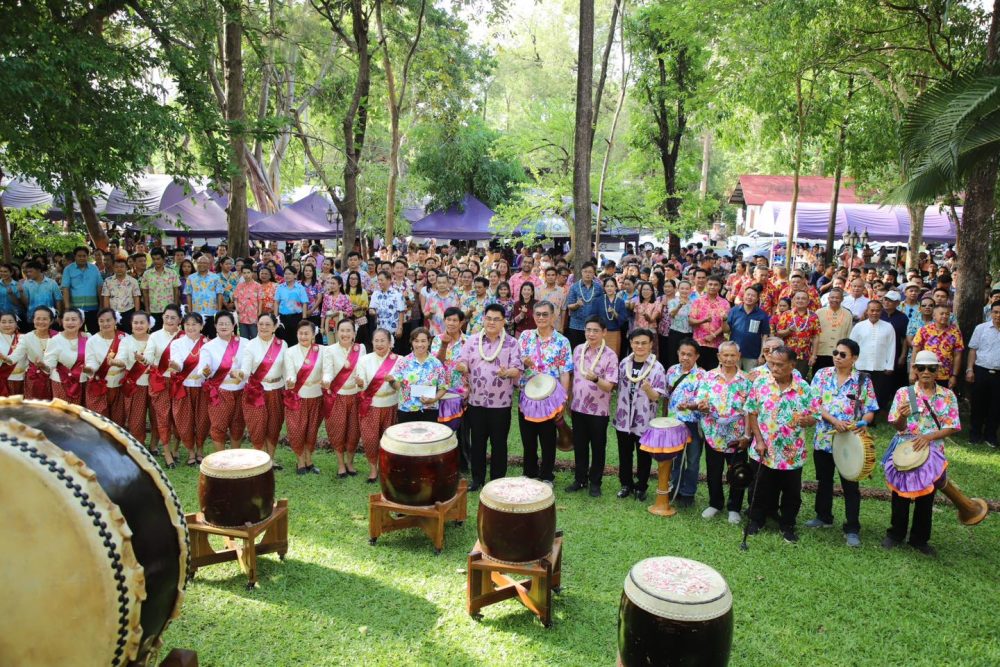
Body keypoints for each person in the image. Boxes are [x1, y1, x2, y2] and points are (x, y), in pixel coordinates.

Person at [882, 350, 961, 556]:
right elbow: (897, 426)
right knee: (900, 494)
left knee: (926, 497)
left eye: (931, 368)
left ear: (938, 371)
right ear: (915, 369)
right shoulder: (904, 393)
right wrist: (902, 416)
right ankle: (895, 534)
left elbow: (952, 426)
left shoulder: (947, 395)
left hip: (933, 451)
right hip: (905, 449)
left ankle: (919, 539)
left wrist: (928, 437)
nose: (926, 371)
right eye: (921, 367)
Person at [807, 338, 878, 547]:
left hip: (850, 441)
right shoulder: (822, 374)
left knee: (850, 484)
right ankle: (823, 516)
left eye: (843, 354)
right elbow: (814, 404)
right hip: (824, 437)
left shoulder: (863, 380)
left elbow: (870, 409)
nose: (837, 357)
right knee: (824, 480)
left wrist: (864, 422)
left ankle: (852, 528)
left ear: (854, 358)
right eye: (835, 353)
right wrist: (833, 421)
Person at [745, 345, 818, 543]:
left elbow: (814, 415)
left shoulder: (803, 388)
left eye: (779, 365)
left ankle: (787, 525)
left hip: (791, 452)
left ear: (792, 365)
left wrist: (808, 420)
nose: (774, 368)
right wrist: (759, 440)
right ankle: (756, 520)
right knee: (759, 487)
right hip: (764, 448)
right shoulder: (761, 383)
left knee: (791, 492)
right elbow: (752, 412)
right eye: (772, 364)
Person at [456, 304, 523, 492]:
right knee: (477, 442)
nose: (492, 322)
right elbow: (462, 361)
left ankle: (497, 481)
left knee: (499, 443)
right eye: (489, 318)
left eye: (496, 319)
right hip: (476, 401)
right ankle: (477, 479)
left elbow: (517, 369)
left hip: (500, 404)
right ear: (483, 319)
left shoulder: (511, 343)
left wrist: (506, 372)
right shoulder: (472, 340)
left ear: (503, 322)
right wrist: (462, 366)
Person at [517, 301, 573, 486]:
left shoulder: (562, 341)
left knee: (548, 439)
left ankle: (547, 475)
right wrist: (523, 362)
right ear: (533, 316)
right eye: (538, 314)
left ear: (553, 316)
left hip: (550, 398)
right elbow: (516, 362)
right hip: (527, 396)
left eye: (545, 314)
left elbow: (564, 372)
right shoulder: (525, 336)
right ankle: (529, 472)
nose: (541, 318)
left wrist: (563, 401)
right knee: (528, 438)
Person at [696, 341, 751, 523]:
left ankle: (734, 507)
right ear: (719, 356)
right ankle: (715, 503)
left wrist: (747, 435)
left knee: (738, 471)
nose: (729, 359)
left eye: (732, 355)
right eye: (725, 355)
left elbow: (750, 410)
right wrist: (703, 406)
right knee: (714, 469)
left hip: (737, 433)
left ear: (739, 356)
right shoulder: (708, 377)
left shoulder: (746, 380)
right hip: (714, 432)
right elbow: (701, 400)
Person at [613, 328, 667, 501]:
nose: (640, 346)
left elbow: (656, 396)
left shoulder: (657, 368)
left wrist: (648, 389)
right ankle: (626, 484)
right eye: (636, 342)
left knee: (643, 455)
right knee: (624, 453)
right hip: (624, 417)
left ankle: (641, 486)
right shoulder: (624, 363)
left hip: (644, 419)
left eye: (644, 343)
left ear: (651, 344)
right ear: (631, 343)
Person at [568, 316, 618, 497]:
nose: (591, 334)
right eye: (588, 330)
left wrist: (596, 379)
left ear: (604, 332)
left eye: (595, 330)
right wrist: (569, 399)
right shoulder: (578, 350)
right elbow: (573, 377)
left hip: (598, 410)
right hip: (578, 407)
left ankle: (595, 482)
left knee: (598, 447)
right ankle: (580, 479)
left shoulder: (610, 355)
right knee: (580, 446)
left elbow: (610, 386)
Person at [240, 313, 286, 468]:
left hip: (276, 390)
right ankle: (260, 461)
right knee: (257, 426)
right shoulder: (250, 345)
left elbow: (286, 369)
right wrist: (240, 374)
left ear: (274, 327)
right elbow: (245, 369)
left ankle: (270, 459)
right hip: (256, 391)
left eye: (268, 324)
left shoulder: (282, 344)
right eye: (261, 324)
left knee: (274, 425)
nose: (264, 327)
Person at [355, 328, 399, 483]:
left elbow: (401, 385)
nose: (379, 344)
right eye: (376, 341)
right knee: (370, 439)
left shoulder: (399, 360)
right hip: (371, 405)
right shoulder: (364, 360)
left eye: (383, 341)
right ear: (372, 342)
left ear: (390, 343)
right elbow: (362, 385)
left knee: (389, 439)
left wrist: (393, 381)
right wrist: (360, 383)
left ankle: (386, 468)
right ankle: (373, 469)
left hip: (391, 405)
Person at [665, 338, 706, 507]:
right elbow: (667, 397)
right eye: (682, 354)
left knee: (693, 460)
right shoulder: (671, 371)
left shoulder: (703, 375)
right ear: (678, 353)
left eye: (690, 354)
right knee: (675, 458)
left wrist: (689, 406)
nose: (685, 357)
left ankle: (688, 493)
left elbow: (703, 401)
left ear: (697, 356)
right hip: (674, 422)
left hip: (693, 424)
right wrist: (665, 418)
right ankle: (675, 488)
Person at [323, 319, 365, 477]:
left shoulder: (360, 348)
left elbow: (363, 370)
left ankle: (350, 463)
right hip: (337, 396)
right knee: (338, 430)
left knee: (354, 431)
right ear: (337, 332)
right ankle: (341, 464)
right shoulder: (330, 350)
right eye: (342, 330)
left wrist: (361, 380)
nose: (345, 334)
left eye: (349, 331)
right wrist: (326, 380)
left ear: (354, 333)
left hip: (355, 396)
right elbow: (327, 371)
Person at [118, 311, 162, 458]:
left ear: (149, 324)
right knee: (136, 419)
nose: (138, 325)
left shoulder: (155, 339)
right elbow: (121, 359)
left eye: (142, 322)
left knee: (157, 417)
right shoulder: (126, 341)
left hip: (155, 384)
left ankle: (154, 445)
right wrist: (115, 362)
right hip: (135, 385)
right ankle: (139, 446)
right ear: (131, 324)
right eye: (135, 322)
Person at [168, 312, 211, 465]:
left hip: (202, 387)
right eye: (187, 324)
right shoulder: (176, 344)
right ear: (183, 326)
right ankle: (190, 451)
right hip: (184, 387)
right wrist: (175, 365)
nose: (191, 327)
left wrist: (207, 371)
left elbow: (210, 365)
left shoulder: (208, 343)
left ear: (201, 326)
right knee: (184, 420)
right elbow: (178, 362)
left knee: (203, 420)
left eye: (194, 324)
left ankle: (200, 449)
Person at [283, 320, 325, 474]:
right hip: (297, 396)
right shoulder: (290, 352)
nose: (303, 336)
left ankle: (309, 460)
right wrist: (290, 381)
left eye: (306, 333)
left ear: (313, 335)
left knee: (312, 430)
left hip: (316, 396)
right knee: (297, 430)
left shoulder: (322, 350)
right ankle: (300, 461)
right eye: (300, 333)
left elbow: (327, 371)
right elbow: (290, 372)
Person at [202, 311, 247, 452]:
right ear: (215, 326)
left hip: (241, 391)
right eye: (220, 324)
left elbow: (249, 366)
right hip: (220, 392)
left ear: (233, 325)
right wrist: (205, 371)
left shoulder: (245, 343)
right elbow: (203, 369)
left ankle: (235, 457)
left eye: (227, 323)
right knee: (218, 426)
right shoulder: (208, 346)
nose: (224, 326)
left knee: (238, 426)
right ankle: (221, 458)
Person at [431, 308, 470, 465]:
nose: (451, 323)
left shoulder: (469, 341)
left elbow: (474, 365)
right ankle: (441, 462)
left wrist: (466, 368)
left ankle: (462, 463)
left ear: (461, 323)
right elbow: (436, 363)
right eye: (448, 320)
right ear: (444, 321)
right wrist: (444, 345)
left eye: (455, 320)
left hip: (462, 393)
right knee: (441, 430)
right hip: (441, 392)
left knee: (461, 432)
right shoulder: (437, 340)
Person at [145, 305, 183, 462]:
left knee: (179, 416)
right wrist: (144, 360)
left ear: (179, 320)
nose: (169, 320)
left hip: (179, 381)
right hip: (160, 380)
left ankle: (175, 448)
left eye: (173, 317)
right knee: (163, 416)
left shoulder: (184, 336)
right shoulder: (155, 336)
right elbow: (148, 356)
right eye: (166, 317)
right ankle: (167, 452)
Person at [389, 327, 447, 423]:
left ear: (429, 342)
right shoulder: (403, 362)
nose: (420, 344)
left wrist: (433, 399)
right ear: (411, 342)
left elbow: (443, 388)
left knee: (429, 433)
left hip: (429, 410)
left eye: (423, 341)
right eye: (416, 341)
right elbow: (397, 386)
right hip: (406, 409)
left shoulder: (436, 363)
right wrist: (392, 381)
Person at [850, 300, 896, 416]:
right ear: (867, 311)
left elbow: (891, 347)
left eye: (877, 310)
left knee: (876, 393)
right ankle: (857, 414)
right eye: (872, 310)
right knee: (860, 391)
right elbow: (851, 346)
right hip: (861, 364)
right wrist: (851, 363)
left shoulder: (888, 327)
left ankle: (871, 417)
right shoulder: (859, 326)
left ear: (881, 311)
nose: (875, 313)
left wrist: (890, 365)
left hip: (879, 366)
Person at [965, 301, 1000, 447]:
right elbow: (973, 350)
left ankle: (990, 436)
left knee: (996, 406)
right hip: (981, 371)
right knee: (978, 404)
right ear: (990, 312)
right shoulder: (981, 328)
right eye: (995, 312)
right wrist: (969, 369)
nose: (998, 315)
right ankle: (975, 435)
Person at [83, 308, 127, 424]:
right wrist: (90, 369)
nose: (105, 323)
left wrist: (117, 362)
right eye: (101, 321)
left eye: (108, 320)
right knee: (99, 422)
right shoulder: (92, 341)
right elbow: (91, 360)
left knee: (118, 422)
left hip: (119, 385)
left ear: (115, 321)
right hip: (99, 385)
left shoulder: (125, 338)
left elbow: (127, 359)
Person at [911, 304, 963, 388]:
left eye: (947, 314)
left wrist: (954, 375)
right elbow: (915, 351)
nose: (945, 316)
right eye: (942, 314)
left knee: (942, 396)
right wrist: (912, 372)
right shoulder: (924, 330)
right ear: (934, 316)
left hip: (945, 375)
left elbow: (958, 355)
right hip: (925, 372)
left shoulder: (955, 332)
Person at [45, 308, 89, 404]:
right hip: (61, 382)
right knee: (61, 411)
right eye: (67, 319)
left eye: (74, 319)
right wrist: (43, 366)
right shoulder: (55, 340)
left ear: (81, 322)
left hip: (82, 381)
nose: (70, 322)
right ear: (62, 322)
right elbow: (49, 364)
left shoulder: (88, 338)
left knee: (79, 411)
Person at [688, 275, 729, 369]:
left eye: (715, 285)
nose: (712, 287)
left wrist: (713, 335)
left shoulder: (724, 303)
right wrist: (704, 320)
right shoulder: (698, 301)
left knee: (713, 372)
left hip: (716, 344)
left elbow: (725, 324)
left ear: (720, 286)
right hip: (699, 342)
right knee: (698, 371)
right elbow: (691, 320)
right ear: (706, 285)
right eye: (710, 284)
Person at [726, 284, 769, 372]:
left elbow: (765, 335)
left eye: (753, 296)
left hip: (752, 355)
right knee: (733, 376)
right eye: (748, 294)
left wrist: (762, 354)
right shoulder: (734, 310)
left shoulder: (762, 314)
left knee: (751, 377)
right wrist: (723, 321)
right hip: (734, 353)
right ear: (743, 296)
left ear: (757, 299)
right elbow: (726, 330)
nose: (749, 297)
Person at [61, 246, 104, 333]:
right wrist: (67, 307)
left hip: (93, 308)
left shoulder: (94, 269)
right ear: (75, 257)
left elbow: (99, 287)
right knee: (76, 333)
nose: (82, 258)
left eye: (84, 256)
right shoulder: (68, 269)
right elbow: (66, 289)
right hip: (75, 309)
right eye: (79, 256)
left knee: (94, 333)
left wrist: (101, 306)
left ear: (88, 256)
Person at [812, 287, 854, 374]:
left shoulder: (848, 314)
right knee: (819, 377)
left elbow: (848, 335)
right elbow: (814, 334)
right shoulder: (819, 312)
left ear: (842, 299)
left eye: (837, 298)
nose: (834, 300)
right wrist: (813, 354)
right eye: (832, 297)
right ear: (828, 298)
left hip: (839, 353)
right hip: (821, 351)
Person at [184, 255, 224, 338]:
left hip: (212, 313)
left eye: (204, 263)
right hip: (196, 313)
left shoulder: (215, 277)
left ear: (209, 265)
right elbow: (189, 295)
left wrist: (219, 312)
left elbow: (219, 294)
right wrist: (190, 312)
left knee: (212, 337)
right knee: (197, 337)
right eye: (199, 262)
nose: (201, 264)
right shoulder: (191, 278)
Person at [141, 249, 180, 331]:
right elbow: (145, 292)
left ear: (163, 259)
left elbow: (176, 291)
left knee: (170, 332)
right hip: (154, 310)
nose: (156, 261)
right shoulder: (147, 274)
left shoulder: (172, 273)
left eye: (158, 259)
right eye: (154, 259)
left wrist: (175, 307)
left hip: (169, 310)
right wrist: (147, 309)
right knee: (155, 333)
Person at [100, 257, 141, 335]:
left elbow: (136, 297)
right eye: (116, 267)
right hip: (113, 312)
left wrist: (136, 313)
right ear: (113, 268)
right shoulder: (108, 281)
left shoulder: (133, 281)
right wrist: (107, 313)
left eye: (122, 266)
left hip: (129, 311)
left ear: (126, 268)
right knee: (114, 334)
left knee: (129, 334)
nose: (119, 269)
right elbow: (106, 297)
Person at [566, 263, 600, 349]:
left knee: (591, 350)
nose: (587, 274)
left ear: (594, 273)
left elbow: (601, 305)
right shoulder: (574, 287)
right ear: (581, 272)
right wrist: (577, 304)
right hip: (576, 325)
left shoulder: (598, 288)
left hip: (592, 326)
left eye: (590, 272)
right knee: (576, 350)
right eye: (585, 271)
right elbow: (569, 306)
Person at [274, 265, 309, 347]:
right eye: (285, 274)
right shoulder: (280, 287)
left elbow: (304, 303)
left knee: (295, 340)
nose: (287, 276)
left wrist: (304, 318)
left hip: (296, 318)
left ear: (295, 275)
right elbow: (276, 302)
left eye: (289, 274)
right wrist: (276, 317)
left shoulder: (300, 288)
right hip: (283, 318)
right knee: (282, 340)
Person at [665, 280, 694, 368]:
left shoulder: (694, 303)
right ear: (678, 289)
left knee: (687, 357)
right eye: (682, 288)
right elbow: (671, 314)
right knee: (673, 357)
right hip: (675, 333)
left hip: (689, 333)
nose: (684, 291)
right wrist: (679, 306)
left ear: (690, 290)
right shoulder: (672, 301)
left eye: (687, 289)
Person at [0, 312, 24, 396]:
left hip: (21, 379)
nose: (7, 325)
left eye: (10, 322)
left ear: (16, 323)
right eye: (3, 322)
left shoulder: (23, 338)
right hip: (2, 380)